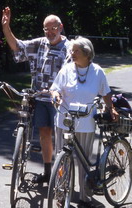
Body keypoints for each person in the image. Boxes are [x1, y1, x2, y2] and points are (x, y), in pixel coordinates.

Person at [1, 7, 70, 184]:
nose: (49, 32)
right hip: (40, 99)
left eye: (53, 28)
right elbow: (17, 46)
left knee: (62, 138)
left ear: (60, 27)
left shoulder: (69, 49)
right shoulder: (40, 43)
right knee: (44, 134)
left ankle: (63, 177)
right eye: (46, 29)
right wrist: (6, 27)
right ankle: (48, 172)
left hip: (61, 101)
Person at [50, 36, 118, 208]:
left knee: (84, 160)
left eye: (76, 51)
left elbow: (106, 93)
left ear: (86, 53)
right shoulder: (66, 70)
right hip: (64, 121)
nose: (72, 53)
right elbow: (55, 88)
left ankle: (85, 196)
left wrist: (111, 108)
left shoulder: (97, 72)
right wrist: (56, 96)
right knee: (62, 158)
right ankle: (60, 192)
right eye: (71, 50)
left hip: (86, 122)